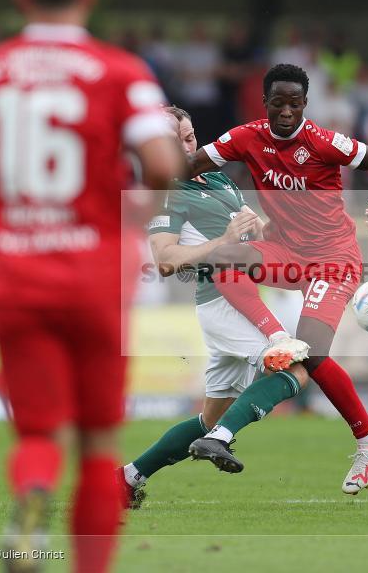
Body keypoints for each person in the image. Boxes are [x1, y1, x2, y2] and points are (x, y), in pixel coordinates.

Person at [0, 0, 185, 572]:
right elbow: (163, 162)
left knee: (39, 436)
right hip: (96, 278)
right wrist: (138, 210)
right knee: (98, 447)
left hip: (16, 274)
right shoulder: (121, 71)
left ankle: (32, 495)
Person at [184, 63, 368, 494]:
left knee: (313, 357)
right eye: (277, 103)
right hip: (287, 252)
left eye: (294, 104)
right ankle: (275, 336)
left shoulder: (321, 141)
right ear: (265, 103)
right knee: (223, 257)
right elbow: (193, 163)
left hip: (334, 259)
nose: (286, 112)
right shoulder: (247, 136)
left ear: (305, 105)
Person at [117, 106, 278, 507]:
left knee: (209, 418)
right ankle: (220, 440)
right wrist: (224, 238)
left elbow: (252, 233)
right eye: (175, 141)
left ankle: (126, 478)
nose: (187, 146)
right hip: (221, 301)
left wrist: (275, 226)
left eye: (189, 137)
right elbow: (166, 260)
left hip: (245, 296)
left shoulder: (218, 176)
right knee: (293, 365)